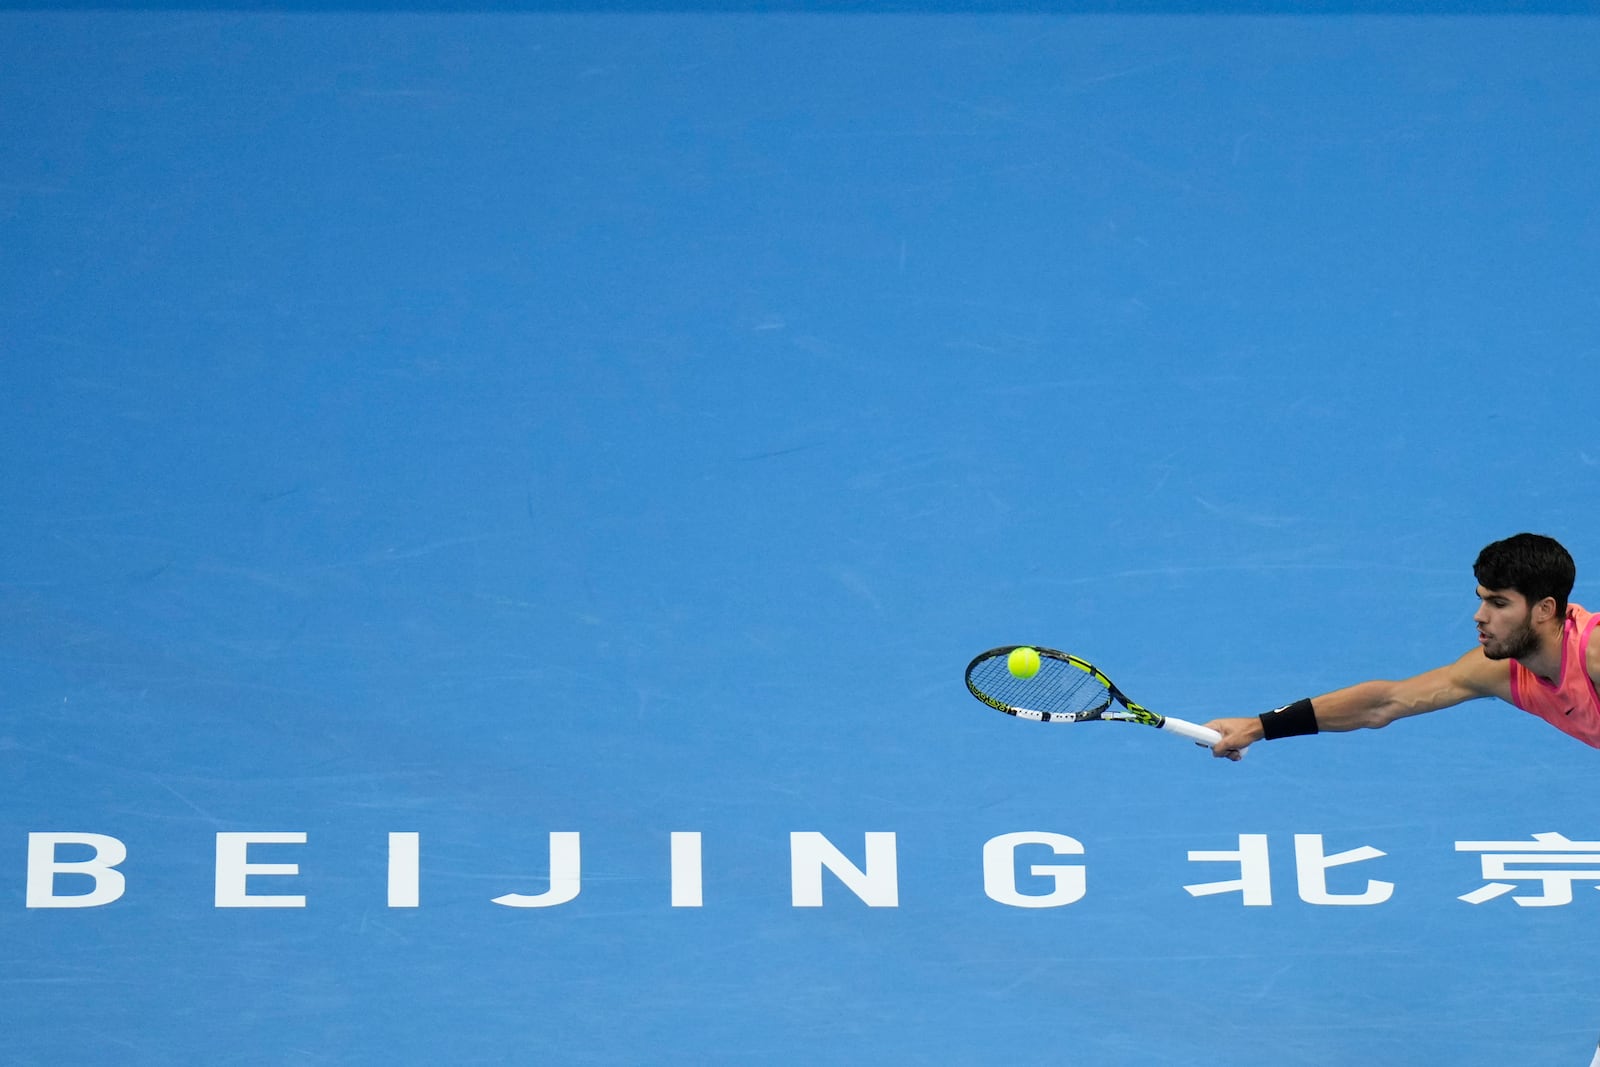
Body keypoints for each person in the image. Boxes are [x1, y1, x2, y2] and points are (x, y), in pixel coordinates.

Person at [1204, 533, 1599, 760]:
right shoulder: (1498, 670)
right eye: (1481, 598)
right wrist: (1257, 727)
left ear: (1545, 609)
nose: (1479, 616)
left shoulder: (1593, 654)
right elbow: (1383, 703)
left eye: (1498, 604)